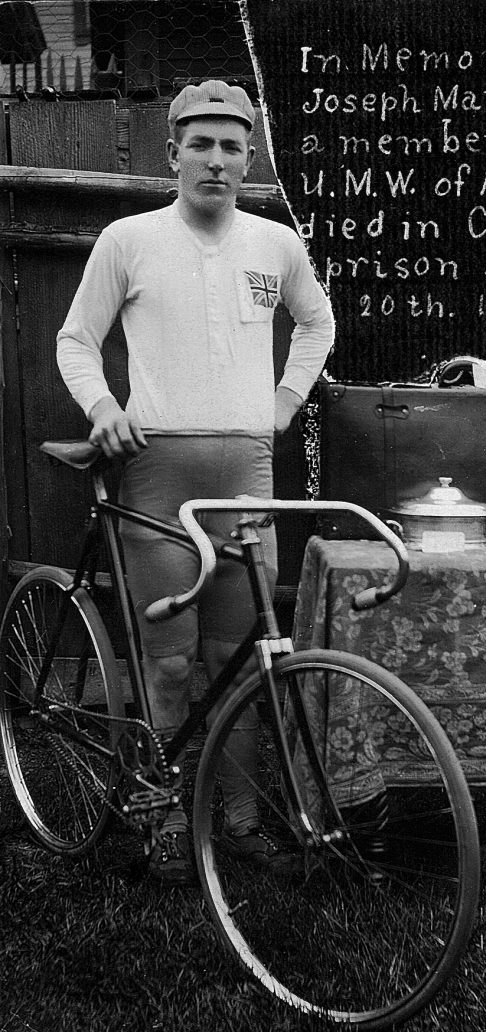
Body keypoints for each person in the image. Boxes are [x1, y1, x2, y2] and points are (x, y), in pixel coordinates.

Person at [56, 79, 335, 884]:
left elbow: (317, 321)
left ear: (251, 158)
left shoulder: (274, 243)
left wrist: (284, 401)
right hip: (158, 468)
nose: (217, 160)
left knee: (242, 656)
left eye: (233, 146)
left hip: (245, 469)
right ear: (172, 152)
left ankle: (242, 818)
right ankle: (162, 815)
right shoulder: (128, 238)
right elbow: (78, 340)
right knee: (171, 661)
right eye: (202, 144)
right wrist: (104, 406)